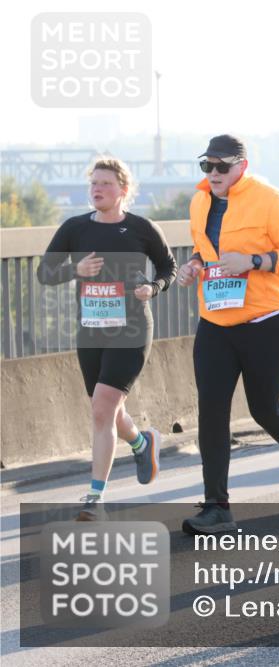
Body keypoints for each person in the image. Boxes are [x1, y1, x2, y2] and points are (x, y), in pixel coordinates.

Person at [175, 134, 279, 535]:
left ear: (242, 165)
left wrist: (254, 261)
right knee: (211, 411)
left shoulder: (271, 199)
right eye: (207, 165)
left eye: (222, 166)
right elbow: (204, 250)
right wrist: (193, 266)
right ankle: (217, 506)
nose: (214, 173)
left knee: (263, 408)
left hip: (265, 319)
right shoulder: (199, 201)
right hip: (215, 320)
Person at [38, 157, 176, 521]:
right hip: (91, 331)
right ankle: (142, 443)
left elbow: (168, 267)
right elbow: (45, 272)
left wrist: (153, 287)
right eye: (93, 183)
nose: (97, 189)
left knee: (102, 408)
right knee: (108, 411)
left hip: (132, 331)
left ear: (123, 190)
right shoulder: (75, 228)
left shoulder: (142, 228)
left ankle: (94, 499)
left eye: (105, 184)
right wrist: (76, 269)